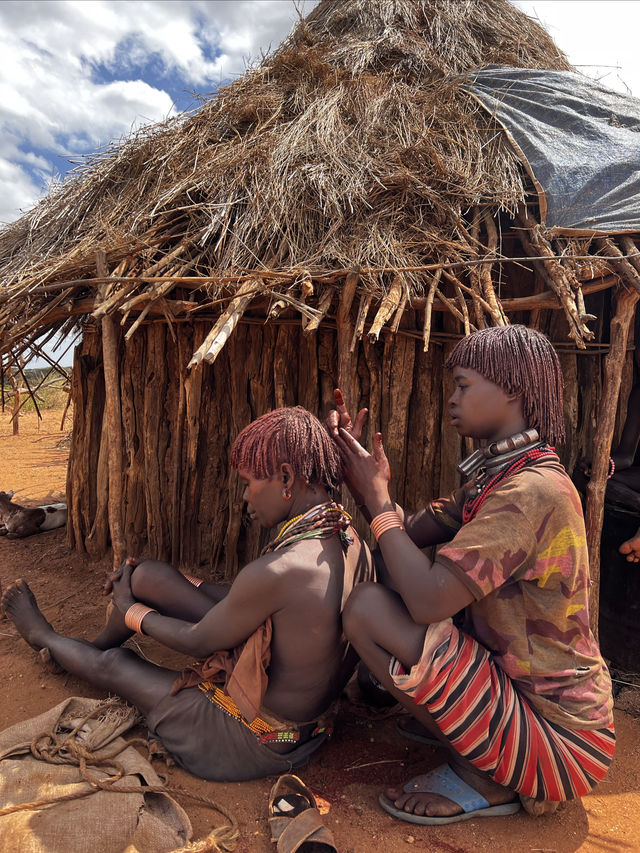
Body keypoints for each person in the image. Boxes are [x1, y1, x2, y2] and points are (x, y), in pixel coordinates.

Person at [327, 325, 614, 825]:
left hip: (562, 742)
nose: (452, 399)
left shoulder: (531, 492)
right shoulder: (499, 478)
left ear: (512, 390)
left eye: (463, 385)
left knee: (369, 609)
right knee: (392, 578)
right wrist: (361, 475)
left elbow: (428, 601)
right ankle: (474, 737)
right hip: (527, 711)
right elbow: (405, 533)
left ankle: (490, 776)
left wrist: (376, 502)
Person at [2, 406, 373, 782]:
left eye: (248, 483)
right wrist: (179, 582)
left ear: (286, 477)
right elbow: (264, 604)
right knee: (151, 576)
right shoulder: (347, 539)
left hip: (256, 739)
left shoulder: (282, 569)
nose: (245, 496)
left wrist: (131, 609)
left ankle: (45, 638)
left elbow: (198, 642)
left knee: (117, 664)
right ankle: (87, 648)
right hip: (312, 722)